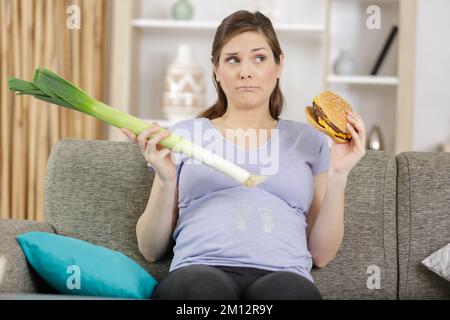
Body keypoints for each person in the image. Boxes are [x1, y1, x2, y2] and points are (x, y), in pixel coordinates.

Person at [121, 10, 366, 300]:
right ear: (216, 69)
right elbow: (150, 250)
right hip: (198, 271)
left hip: (283, 276)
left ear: (279, 65)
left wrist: (339, 175)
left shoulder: (309, 140)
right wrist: (165, 179)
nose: (245, 71)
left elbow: (321, 255)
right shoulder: (182, 137)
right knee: (202, 290)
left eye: (259, 58)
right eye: (233, 59)